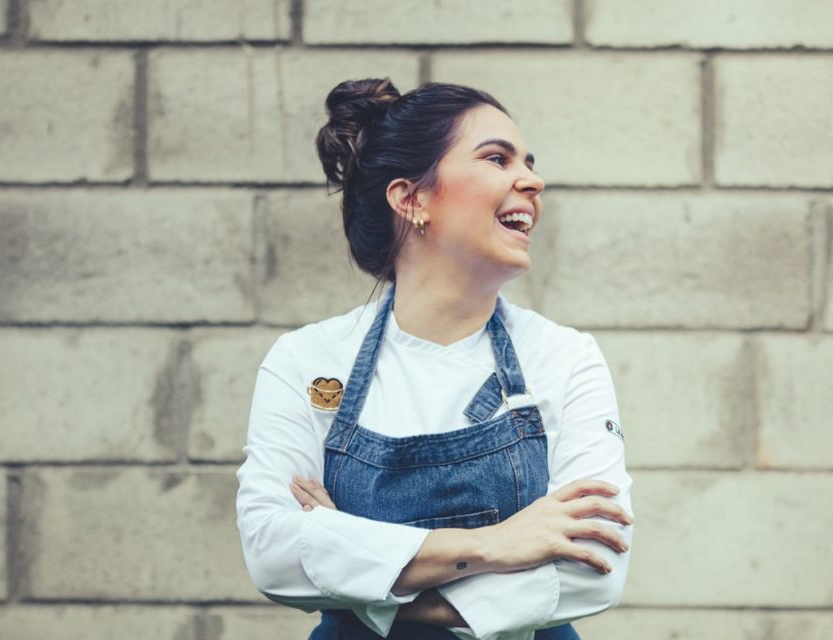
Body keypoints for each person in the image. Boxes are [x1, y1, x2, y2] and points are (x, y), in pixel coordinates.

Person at [236, 78, 634, 640]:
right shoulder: (307, 359)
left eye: (528, 161)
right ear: (412, 199)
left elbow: (595, 570)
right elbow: (273, 552)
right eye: (497, 158)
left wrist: (355, 570)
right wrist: (495, 545)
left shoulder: (565, 358)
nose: (533, 180)